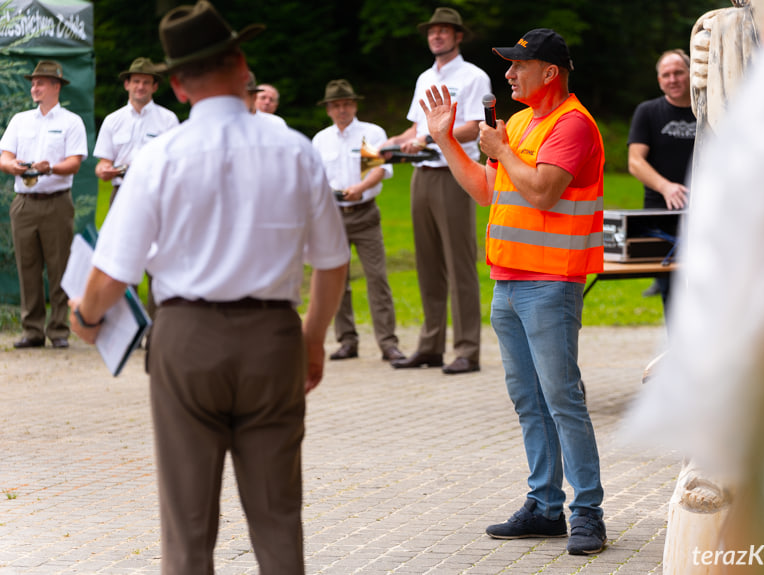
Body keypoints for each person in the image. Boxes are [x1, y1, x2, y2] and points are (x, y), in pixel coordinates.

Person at [68, 1, 349, 573]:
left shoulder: (160, 156)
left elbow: (114, 270)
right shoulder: (295, 148)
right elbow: (332, 263)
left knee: (188, 526)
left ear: (176, 84)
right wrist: (313, 338)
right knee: (277, 518)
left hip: (187, 339)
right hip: (273, 336)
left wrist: (87, 316)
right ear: (241, 63)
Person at [419, 28, 606, 555]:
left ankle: (587, 510)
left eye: (518, 66)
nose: (507, 74)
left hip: (550, 282)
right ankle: (545, 507)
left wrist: (500, 148)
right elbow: (486, 190)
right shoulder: (520, 122)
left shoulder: (573, 125)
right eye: (508, 66)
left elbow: (544, 191)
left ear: (550, 72)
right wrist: (445, 140)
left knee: (562, 398)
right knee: (529, 400)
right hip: (509, 281)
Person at [385, 6, 490, 375]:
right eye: (433, 31)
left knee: (459, 263)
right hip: (422, 174)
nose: (437, 36)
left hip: (456, 173)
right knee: (427, 263)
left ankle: (466, 349)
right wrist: (387, 143)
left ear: (458, 36)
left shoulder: (474, 76)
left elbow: (477, 126)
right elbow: (414, 132)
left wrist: (433, 136)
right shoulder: (424, 78)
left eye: (445, 31)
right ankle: (430, 346)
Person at [311, 79, 405, 362]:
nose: (342, 109)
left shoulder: (370, 133)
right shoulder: (321, 139)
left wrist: (359, 190)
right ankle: (347, 340)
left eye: (347, 104)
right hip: (333, 216)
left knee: (377, 279)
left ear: (354, 105)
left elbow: (377, 170)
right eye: (336, 105)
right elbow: (315, 178)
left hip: (364, 214)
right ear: (328, 109)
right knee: (337, 281)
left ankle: (388, 343)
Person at [0, 60, 87, 350]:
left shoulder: (71, 121)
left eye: (40, 83)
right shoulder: (20, 120)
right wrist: (13, 165)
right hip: (24, 202)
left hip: (57, 203)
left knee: (59, 266)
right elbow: (4, 156)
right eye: (33, 83)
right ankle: (32, 330)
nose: (34, 87)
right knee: (27, 267)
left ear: (56, 86)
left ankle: (59, 330)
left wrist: (50, 169)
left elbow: (74, 163)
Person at [627, 49, 696, 308]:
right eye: (666, 75)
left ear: (692, 74)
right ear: (659, 81)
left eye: (679, 72)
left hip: (703, 216)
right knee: (672, 295)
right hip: (661, 218)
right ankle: (677, 348)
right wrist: (665, 187)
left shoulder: (709, 110)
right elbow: (635, 161)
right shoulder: (648, 112)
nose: (673, 79)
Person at [93, 57, 180, 206]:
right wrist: (103, 170)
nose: (141, 86)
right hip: (121, 192)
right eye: (136, 81)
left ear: (155, 87)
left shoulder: (168, 120)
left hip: (155, 192)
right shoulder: (112, 120)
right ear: (127, 84)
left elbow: (175, 162)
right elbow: (103, 163)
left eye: (146, 82)